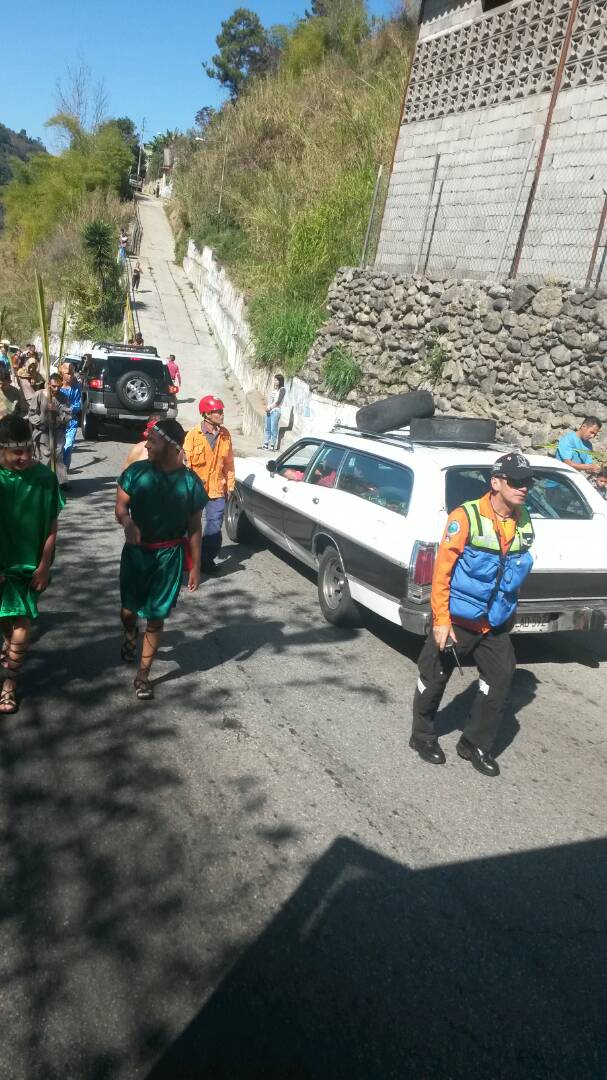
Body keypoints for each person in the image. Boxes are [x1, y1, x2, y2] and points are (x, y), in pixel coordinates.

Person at [410, 452, 535, 779]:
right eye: (516, 482)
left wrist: (510, 613)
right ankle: (421, 735)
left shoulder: (524, 519)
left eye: (528, 483)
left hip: (493, 623)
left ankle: (474, 743)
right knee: (433, 677)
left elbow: (513, 571)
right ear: (496, 483)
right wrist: (440, 619)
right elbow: (442, 572)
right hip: (457, 619)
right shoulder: (464, 517)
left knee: (501, 678)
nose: (524, 488)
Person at [115, 418, 207, 700]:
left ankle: (143, 675)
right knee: (129, 611)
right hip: (136, 555)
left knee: (156, 617)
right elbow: (120, 507)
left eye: (153, 441)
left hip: (169, 558)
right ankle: (130, 632)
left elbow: (194, 527)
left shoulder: (191, 483)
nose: (147, 445)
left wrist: (196, 566)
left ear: (171, 445)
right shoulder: (136, 472)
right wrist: (127, 523)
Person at [0, 415, 65, 714]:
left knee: (21, 622)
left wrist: (44, 565)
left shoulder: (44, 478)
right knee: (6, 622)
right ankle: (10, 647)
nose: (25, 457)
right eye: (17, 452)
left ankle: (9, 685)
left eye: (28, 449)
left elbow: (51, 526)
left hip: (29, 567)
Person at [184, 396, 235, 572]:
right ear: (206, 414)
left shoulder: (225, 435)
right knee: (190, 524)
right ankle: (187, 557)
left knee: (214, 524)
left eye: (221, 411)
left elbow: (229, 464)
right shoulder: (193, 435)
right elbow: (185, 464)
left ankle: (205, 560)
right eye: (217, 411)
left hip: (216, 489)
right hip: (195, 489)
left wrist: (230, 485)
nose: (221, 414)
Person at [28, 373, 72, 486]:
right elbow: (32, 414)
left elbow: (67, 416)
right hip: (43, 431)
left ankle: (62, 481)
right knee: (46, 456)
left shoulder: (64, 397)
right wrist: (41, 422)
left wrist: (57, 410)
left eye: (59, 386)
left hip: (58, 431)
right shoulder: (39, 394)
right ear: (48, 384)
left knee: (58, 455)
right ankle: (43, 481)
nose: (56, 389)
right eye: (53, 386)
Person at [60, 361, 82, 472]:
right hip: (57, 423)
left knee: (68, 447)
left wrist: (69, 410)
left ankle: (64, 470)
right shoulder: (56, 386)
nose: (71, 376)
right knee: (58, 448)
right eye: (68, 373)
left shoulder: (76, 387)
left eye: (72, 373)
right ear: (62, 373)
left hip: (71, 422)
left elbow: (78, 404)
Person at [260, 373, 285, 451]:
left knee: (273, 429)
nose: (275, 381)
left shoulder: (282, 389)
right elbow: (271, 400)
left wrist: (270, 407)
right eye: (274, 380)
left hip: (275, 411)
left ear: (280, 381)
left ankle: (272, 445)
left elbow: (278, 401)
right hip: (269, 410)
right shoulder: (274, 390)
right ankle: (266, 444)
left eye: (276, 380)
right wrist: (267, 407)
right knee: (267, 428)